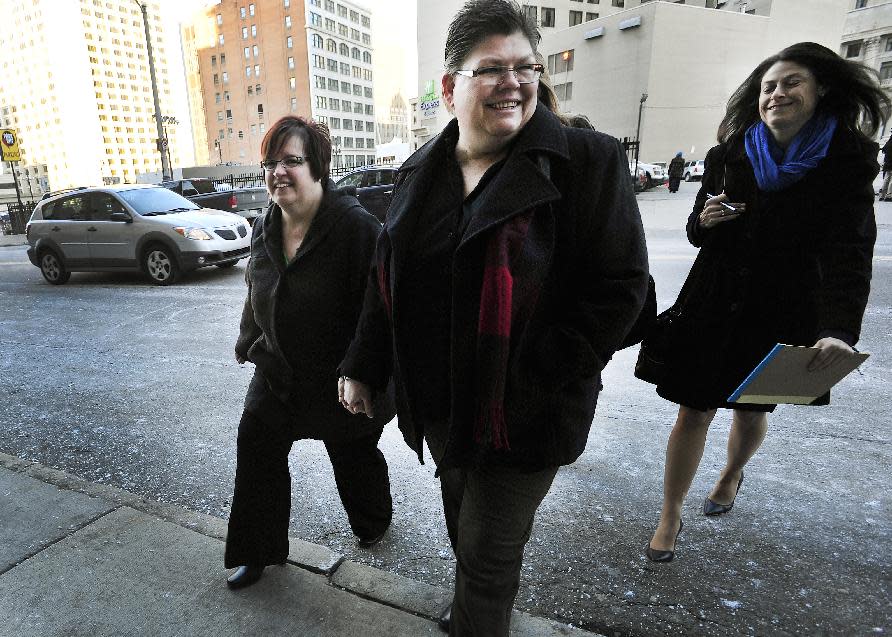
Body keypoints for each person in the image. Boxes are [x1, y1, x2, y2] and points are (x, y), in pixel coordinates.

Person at [338, 1, 649, 634]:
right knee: (462, 524)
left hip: (525, 413)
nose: (513, 81)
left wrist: (533, 376)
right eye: (492, 69)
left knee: (486, 555)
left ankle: (477, 618)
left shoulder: (587, 163)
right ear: (450, 88)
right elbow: (385, 281)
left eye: (525, 66)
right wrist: (364, 365)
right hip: (443, 404)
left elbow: (622, 292)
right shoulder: (420, 173)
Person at [645, 42, 887, 563]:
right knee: (694, 410)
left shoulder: (846, 162)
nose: (777, 93)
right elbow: (696, 231)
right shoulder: (728, 154)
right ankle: (670, 514)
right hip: (716, 302)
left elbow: (851, 252)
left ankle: (731, 473)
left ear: (821, 89)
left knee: (751, 413)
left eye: (790, 82)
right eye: (768, 86)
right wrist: (703, 221)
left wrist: (840, 331)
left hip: (783, 310)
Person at [225, 115, 395, 589]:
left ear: (317, 166)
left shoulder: (356, 228)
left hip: (341, 375)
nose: (279, 171)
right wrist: (248, 339)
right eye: (271, 163)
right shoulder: (265, 224)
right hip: (279, 370)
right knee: (256, 442)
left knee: (353, 453)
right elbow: (257, 285)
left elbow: (379, 308)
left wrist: (362, 370)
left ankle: (374, 519)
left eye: (292, 161)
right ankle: (256, 551)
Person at [879, 136, 892, 201]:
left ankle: (882, 195)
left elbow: (883, 150)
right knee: (891, 181)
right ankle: (889, 195)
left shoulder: (889, 142)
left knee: (886, 179)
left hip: (887, 163)